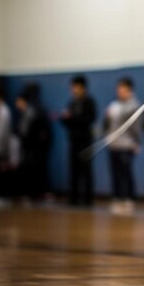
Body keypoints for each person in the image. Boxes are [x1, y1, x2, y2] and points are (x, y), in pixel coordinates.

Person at [104, 77, 140, 215]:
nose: (120, 91)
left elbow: (136, 127)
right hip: (113, 145)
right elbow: (107, 124)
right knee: (115, 174)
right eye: (119, 89)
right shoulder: (113, 105)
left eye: (123, 89)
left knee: (126, 174)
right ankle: (117, 198)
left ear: (129, 90)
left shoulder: (134, 105)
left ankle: (129, 199)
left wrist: (136, 142)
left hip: (126, 145)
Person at [61, 75, 97, 206]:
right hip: (73, 141)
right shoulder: (71, 103)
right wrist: (65, 119)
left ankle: (87, 199)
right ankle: (73, 199)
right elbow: (67, 120)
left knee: (86, 171)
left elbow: (89, 120)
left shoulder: (89, 102)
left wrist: (74, 118)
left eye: (75, 87)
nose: (73, 90)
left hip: (85, 141)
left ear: (82, 87)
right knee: (73, 170)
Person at [15, 83, 52, 202]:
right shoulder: (31, 111)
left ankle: (36, 193)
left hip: (34, 148)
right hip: (33, 148)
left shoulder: (33, 111)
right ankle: (33, 193)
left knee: (35, 170)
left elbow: (27, 132)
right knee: (32, 170)